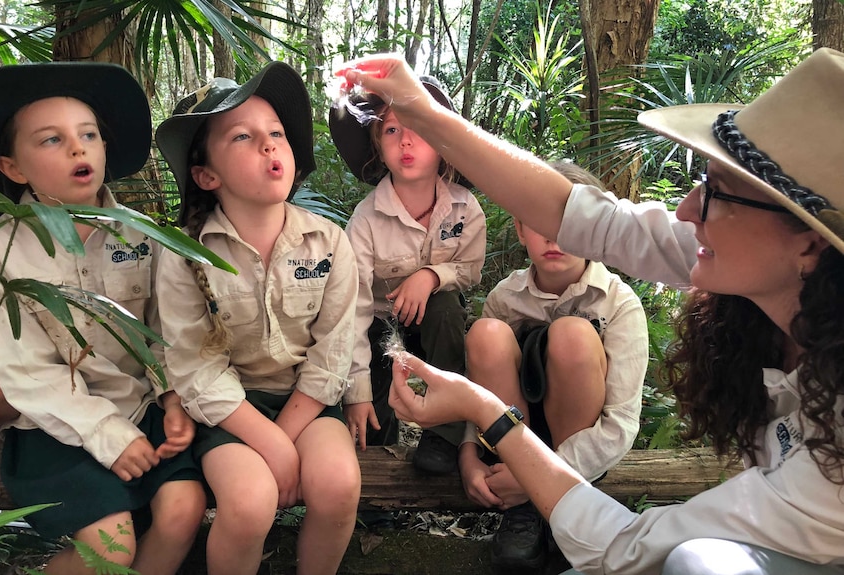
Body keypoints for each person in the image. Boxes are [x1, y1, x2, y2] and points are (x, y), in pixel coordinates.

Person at [337, 48, 844, 575]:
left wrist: (488, 416)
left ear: (809, 243)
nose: (688, 209)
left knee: (700, 564)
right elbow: (582, 216)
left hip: (671, 533)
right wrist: (420, 110)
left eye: (718, 194)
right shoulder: (753, 272)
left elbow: (632, 549)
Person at [0, 63, 206, 575]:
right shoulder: (0, 248)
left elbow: (168, 329)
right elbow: (25, 370)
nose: (78, 148)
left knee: (183, 509)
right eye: (51, 140)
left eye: (88, 135)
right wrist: (106, 433)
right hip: (52, 425)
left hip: (141, 410)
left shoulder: (143, 234)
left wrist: (173, 400)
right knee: (110, 547)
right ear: (12, 168)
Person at [154, 62, 361, 575]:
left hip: (305, 404)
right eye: (243, 137)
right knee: (249, 502)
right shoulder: (184, 254)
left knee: (338, 486)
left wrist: (286, 435)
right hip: (227, 411)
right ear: (207, 175)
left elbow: (332, 352)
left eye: (276, 134)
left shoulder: (330, 242)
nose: (269, 146)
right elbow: (194, 368)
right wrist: (267, 441)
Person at [461, 160, 648, 568]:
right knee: (486, 334)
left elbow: (620, 423)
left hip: (578, 456)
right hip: (515, 441)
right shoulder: (505, 299)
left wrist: (539, 478)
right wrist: (468, 451)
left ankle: (565, 507)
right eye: (539, 219)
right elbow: (478, 394)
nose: (554, 236)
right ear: (520, 228)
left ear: (594, 231)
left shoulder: (618, 304)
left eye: (570, 222)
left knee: (572, 335)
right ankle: (523, 515)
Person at [328, 76, 486, 474]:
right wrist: (357, 391)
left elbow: (470, 271)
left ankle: (445, 433)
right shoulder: (365, 220)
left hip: (434, 321)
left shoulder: (465, 209)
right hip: (381, 321)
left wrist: (431, 276)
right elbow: (354, 306)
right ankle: (378, 459)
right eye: (393, 130)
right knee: (373, 387)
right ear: (379, 147)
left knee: (447, 308)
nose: (406, 141)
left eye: (420, 129)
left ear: (442, 144)